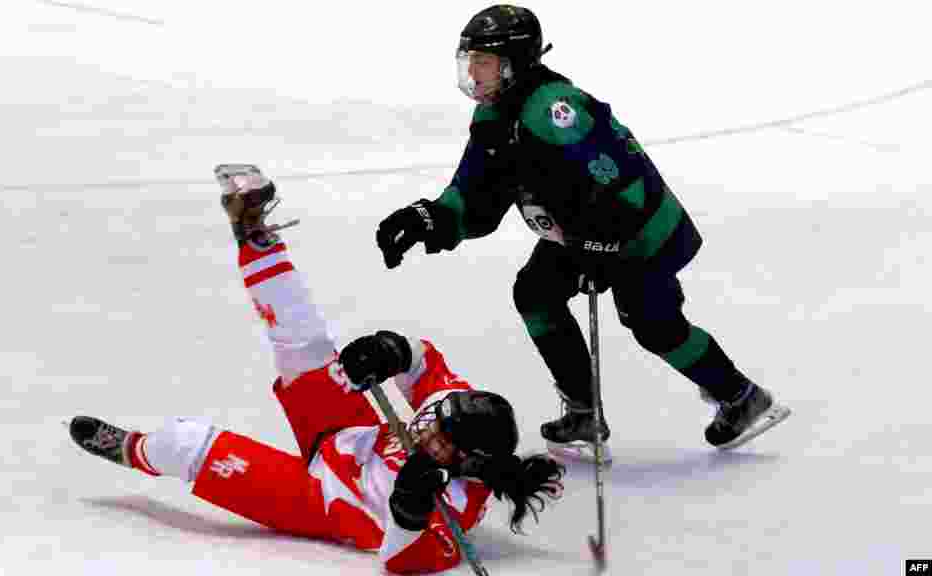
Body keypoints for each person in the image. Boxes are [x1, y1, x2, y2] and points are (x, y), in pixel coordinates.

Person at [68, 164, 566, 574]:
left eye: (439, 437)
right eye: (434, 419)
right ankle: (252, 228)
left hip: (319, 496)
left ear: (468, 461)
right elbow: (424, 360)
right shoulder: (452, 406)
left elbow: (399, 560)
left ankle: (133, 450)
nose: (427, 426)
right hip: (346, 431)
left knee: (184, 443)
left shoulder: (457, 505)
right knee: (303, 336)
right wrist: (387, 350)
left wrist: (409, 508)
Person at [374, 5, 790, 455]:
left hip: (639, 235)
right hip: (580, 237)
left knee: (654, 326)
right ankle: (584, 412)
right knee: (535, 294)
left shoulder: (555, 112)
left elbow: (620, 181)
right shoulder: (493, 117)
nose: (473, 72)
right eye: (469, 59)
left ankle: (743, 397)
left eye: (484, 61)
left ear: (515, 63)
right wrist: (430, 218)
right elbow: (476, 195)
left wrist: (605, 243)